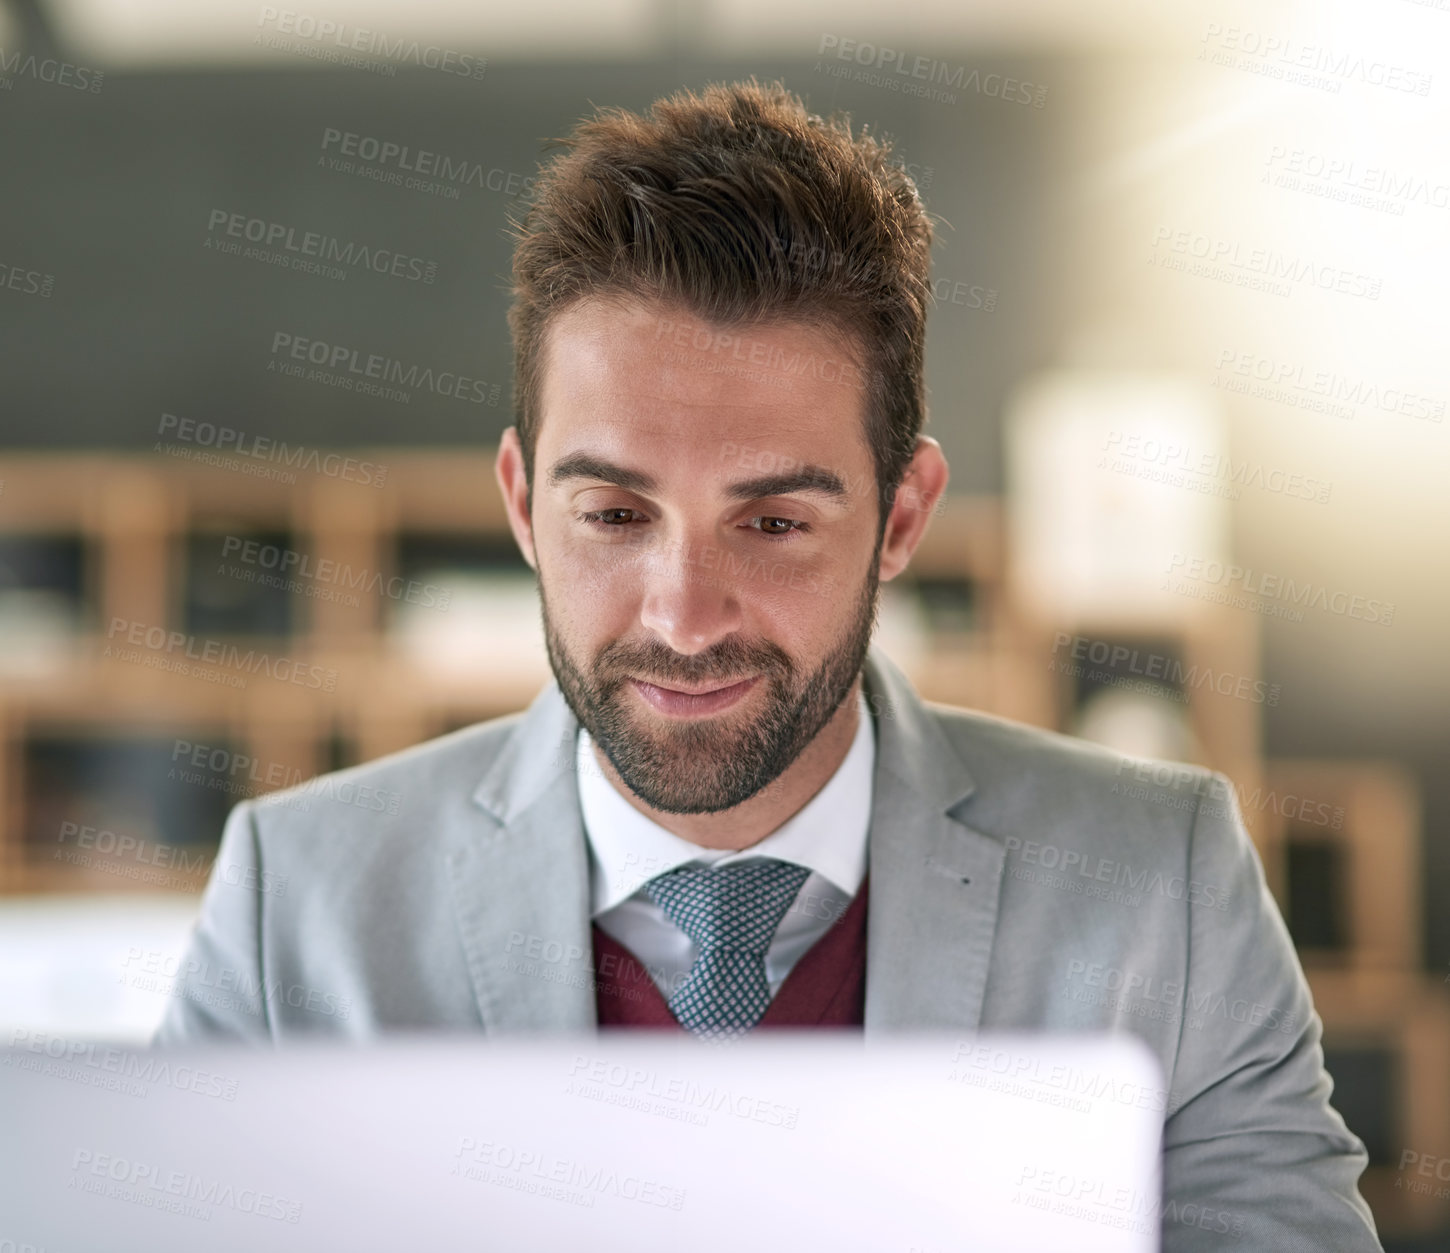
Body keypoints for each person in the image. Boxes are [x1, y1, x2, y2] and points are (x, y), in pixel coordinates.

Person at [154, 78, 1381, 1251]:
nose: (683, 617)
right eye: (615, 517)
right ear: (525, 506)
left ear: (902, 517)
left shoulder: (1156, 888)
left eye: (775, 523)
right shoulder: (295, 909)